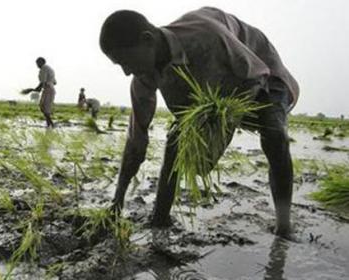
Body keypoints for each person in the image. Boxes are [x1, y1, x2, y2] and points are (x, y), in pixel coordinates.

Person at [99, 7, 299, 238]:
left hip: (260, 72)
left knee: (274, 134)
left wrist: (217, 128)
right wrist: (117, 201)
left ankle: (284, 226)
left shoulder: (208, 37)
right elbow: (136, 140)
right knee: (177, 138)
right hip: (210, 87)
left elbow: (255, 75)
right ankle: (160, 218)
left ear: (147, 40)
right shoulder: (143, 77)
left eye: (126, 61)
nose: (126, 72)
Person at [23, 57, 57, 128]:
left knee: (44, 107)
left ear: (41, 62)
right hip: (49, 89)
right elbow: (55, 82)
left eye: (37, 63)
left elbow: (42, 82)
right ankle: (49, 124)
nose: (37, 65)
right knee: (43, 107)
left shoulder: (44, 68)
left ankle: (51, 125)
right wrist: (36, 89)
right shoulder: (49, 68)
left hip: (48, 89)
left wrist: (33, 89)